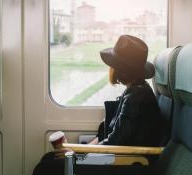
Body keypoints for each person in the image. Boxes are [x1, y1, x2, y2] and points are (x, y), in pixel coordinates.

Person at [32, 35, 162, 175]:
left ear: (121, 70)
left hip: (125, 163)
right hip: (116, 157)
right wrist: (78, 150)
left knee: (45, 168)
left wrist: (77, 155)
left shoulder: (137, 97)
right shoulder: (136, 90)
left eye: (113, 64)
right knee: (49, 158)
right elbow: (113, 137)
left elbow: (115, 144)